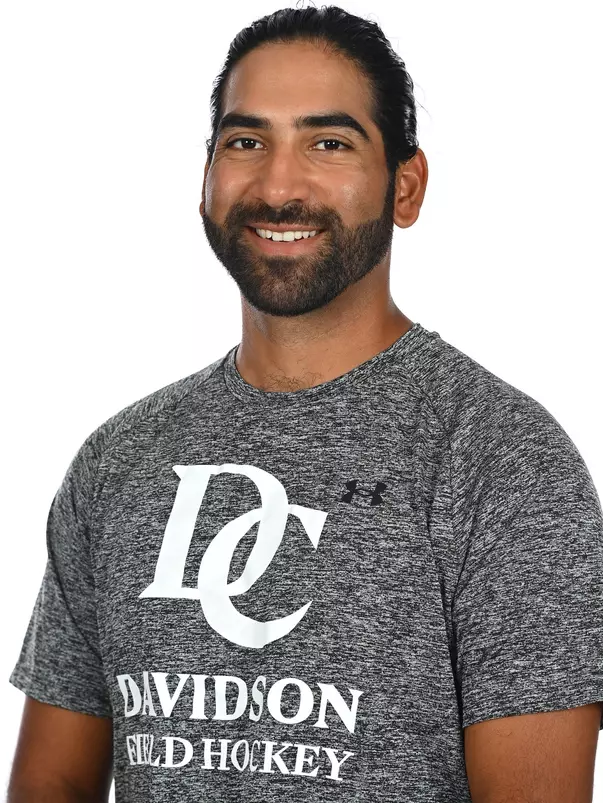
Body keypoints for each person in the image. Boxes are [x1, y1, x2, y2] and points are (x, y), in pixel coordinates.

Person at [7, 5, 603, 803]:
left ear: (406, 185)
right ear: (205, 181)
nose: (278, 185)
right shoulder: (119, 459)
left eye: (329, 143)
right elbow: (50, 782)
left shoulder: (504, 461)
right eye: (245, 141)